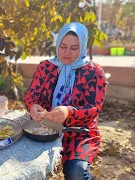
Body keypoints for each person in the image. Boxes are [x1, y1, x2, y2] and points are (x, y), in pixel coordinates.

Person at [24, 22, 107, 180]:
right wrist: (33, 106)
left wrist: (69, 112)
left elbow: (94, 108)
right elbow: (32, 95)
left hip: (78, 132)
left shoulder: (94, 72)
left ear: (82, 47)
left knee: (76, 173)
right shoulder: (45, 67)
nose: (67, 53)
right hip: (44, 129)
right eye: (63, 46)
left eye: (74, 48)